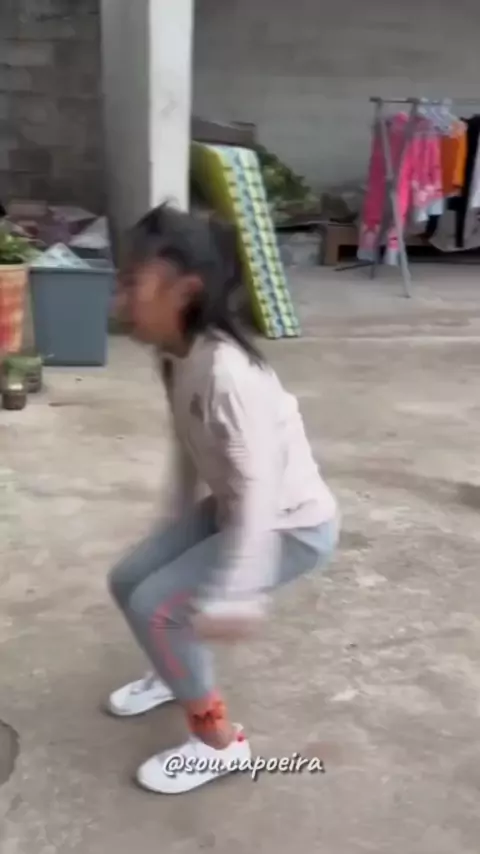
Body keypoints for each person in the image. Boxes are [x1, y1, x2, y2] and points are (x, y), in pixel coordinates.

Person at [108, 203, 339, 794]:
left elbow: (262, 485)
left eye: (133, 284)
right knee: (129, 579)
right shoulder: (175, 357)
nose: (120, 298)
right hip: (237, 505)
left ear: (184, 292)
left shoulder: (227, 374)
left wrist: (240, 588)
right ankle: (174, 673)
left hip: (290, 525)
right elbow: (188, 447)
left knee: (157, 606)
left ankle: (220, 745)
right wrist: (173, 522)